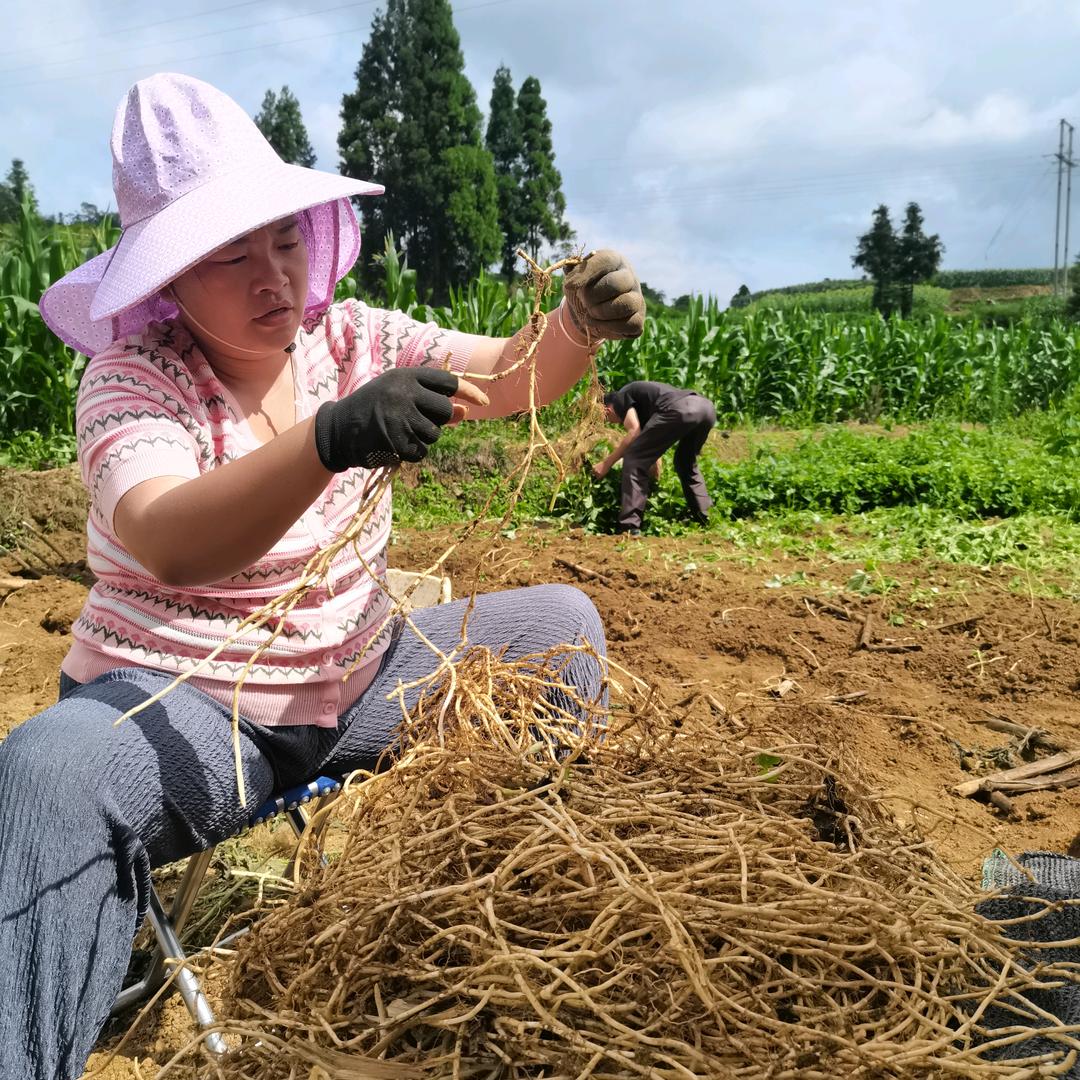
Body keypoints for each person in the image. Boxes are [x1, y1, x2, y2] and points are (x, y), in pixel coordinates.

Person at [0, 73, 644, 1079]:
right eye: (229, 256)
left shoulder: (354, 340)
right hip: (188, 705)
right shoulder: (135, 380)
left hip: (359, 682)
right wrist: (328, 439)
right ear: (167, 280)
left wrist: (574, 327)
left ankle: (532, 922)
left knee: (560, 625)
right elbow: (167, 535)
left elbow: (514, 377)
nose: (273, 279)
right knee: (47, 775)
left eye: (286, 242)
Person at [592, 380, 716, 534]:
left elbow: (634, 431)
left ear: (606, 410)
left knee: (634, 459)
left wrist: (606, 463)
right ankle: (705, 516)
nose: (611, 423)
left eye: (606, 420)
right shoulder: (642, 406)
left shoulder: (619, 397)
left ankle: (629, 527)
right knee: (685, 462)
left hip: (680, 409)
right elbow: (651, 443)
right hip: (706, 409)